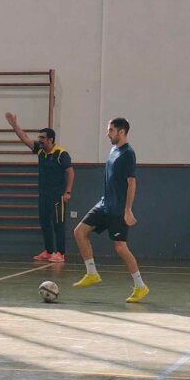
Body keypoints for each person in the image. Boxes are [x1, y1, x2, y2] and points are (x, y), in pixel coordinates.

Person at [72, 118, 148, 303]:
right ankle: (92, 273)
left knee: (120, 247)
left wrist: (127, 210)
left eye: (111, 130)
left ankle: (140, 286)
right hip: (104, 205)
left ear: (122, 132)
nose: (108, 134)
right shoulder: (113, 150)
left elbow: (132, 182)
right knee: (79, 232)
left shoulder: (128, 154)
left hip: (117, 209)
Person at [5, 113, 73, 261]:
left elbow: (70, 172)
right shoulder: (40, 151)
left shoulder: (61, 154)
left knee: (58, 224)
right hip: (43, 194)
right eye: (39, 137)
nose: (39, 140)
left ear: (50, 139)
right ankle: (48, 251)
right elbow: (25, 138)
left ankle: (60, 253)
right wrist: (14, 125)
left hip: (58, 195)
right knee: (44, 223)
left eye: (42, 137)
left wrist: (67, 192)